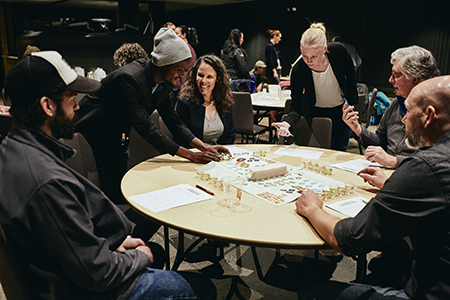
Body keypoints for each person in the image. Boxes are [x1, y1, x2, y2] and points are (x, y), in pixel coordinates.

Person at [0, 50, 216, 300]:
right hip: (81, 290)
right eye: (71, 98)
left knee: (154, 249)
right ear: (48, 106)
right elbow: (98, 273)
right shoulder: (47, 182)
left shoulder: (11, 151)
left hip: (57, 273)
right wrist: (136, 257)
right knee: (201, 287)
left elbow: (62, 236)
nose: (78, 105)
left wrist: (112, 245)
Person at [296, 75, 450, 300]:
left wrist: (312, 209)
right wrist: (392, 183)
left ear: (429, 116)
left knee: (312, 293)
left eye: (408, 111)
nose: (404, 119)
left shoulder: (425, 168)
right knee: (391, 258)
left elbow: (348, 240)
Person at [76, 27, 228, 205]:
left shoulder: (164, 81)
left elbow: (172, 120)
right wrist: (190, 155)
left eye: (186, 70)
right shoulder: (128, 79)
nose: (183, 75)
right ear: (164, 64)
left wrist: (203, 147)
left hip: (117, 133)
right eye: (180, 69)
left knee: (117, 192)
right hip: (93, 133)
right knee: (101, 194)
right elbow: (146, 127)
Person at [343, 45, 440, 168]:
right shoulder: (396, 103)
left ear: (414, 79)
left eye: (395, 75)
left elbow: (435, 162)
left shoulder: (436, 111)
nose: (390, 80)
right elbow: (380, 141)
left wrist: (394, 161)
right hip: (389, 173)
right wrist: (357, 128)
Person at [275, 22, 358, 151]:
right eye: (304, 56)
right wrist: (287, 123)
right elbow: (296, 105)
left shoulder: (339, 52)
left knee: (339, 154)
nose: (309, 61)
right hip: (315, 115)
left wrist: (352, 103)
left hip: (341, 113)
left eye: (314, 56)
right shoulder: (299, 69)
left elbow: (351, 75)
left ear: (325, 49)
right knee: (317, 153)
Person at [176, 54, 236, 147]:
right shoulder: (185, 102)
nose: (203, 81)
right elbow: (181, 137)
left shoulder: (224, 101)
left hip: (220, 156)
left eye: (209, 77)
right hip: (195, 155)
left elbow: (231, 133)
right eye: (200, 75)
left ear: (218, 79)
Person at [171, 25, 199, 106]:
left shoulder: (186, 50)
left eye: (176, 33)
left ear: (184, 35)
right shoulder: (186, 49)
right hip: (180, 86)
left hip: (180, 86)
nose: (174, 36)